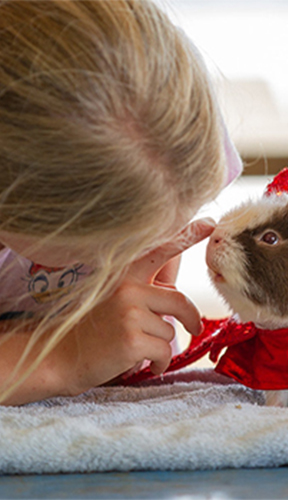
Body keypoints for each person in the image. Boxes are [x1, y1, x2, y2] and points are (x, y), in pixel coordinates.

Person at [0, 0, 242, 405]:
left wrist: (146, 296)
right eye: (117, 246)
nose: (154, 248)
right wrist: (67, 357)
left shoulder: (164, 115)